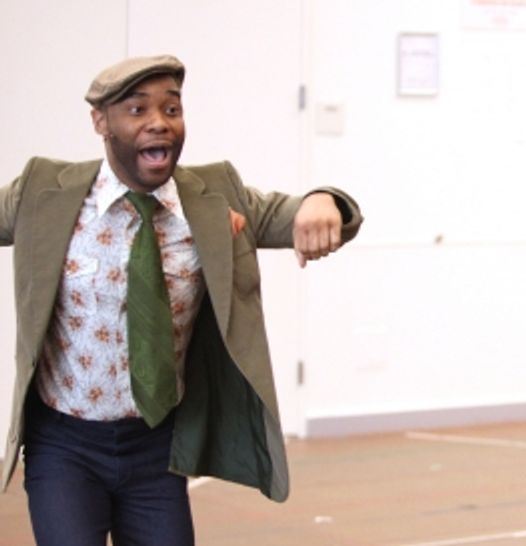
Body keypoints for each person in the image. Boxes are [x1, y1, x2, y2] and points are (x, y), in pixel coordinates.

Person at [0, 54, 363, 544]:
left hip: (157, 447)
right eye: (137, 110)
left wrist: (325, 201)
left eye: (172, 110)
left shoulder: (213, 196)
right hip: (65, 444)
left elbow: (300, 212)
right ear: (100, 122)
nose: (159, 124)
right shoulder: (45, 191)